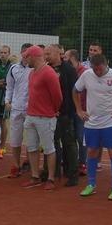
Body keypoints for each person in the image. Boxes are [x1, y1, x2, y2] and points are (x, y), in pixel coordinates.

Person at [75, 53, 112, 200]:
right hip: (91, 123)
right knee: (91, 152)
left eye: (100, 69)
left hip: (110, 122)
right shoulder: (87, 75)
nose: (97, 72)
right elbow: (75, 90)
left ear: (106, 64)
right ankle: (91, 184)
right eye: (95, 69)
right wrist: (79, 110)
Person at [20, 46, 62, 190]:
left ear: (33, 56)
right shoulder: (32, 73)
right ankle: (35, 175)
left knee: (49, 148)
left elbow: (57, 96)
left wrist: (54, 110)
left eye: (26, 57)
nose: (25, 60)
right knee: (32, 147)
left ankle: (50, 178)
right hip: (31, 115)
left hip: (45, 117)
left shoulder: (48, 73)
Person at [45, 44, 78, 186]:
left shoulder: (69, 70)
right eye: (45, 54)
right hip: (48, 114)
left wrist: (67, 110)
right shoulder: (46, 68)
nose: (46, 56)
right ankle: (53, 172)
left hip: (65, 113)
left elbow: (73, 92)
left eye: (49, 54)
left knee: (69, 143)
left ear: (58, 53)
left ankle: (72, 174)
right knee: (51, 143)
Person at [4, 44, 32, 178]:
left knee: (32, 138)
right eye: (24, 52)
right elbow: (9, 87)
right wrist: (7, 101)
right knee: (15, 139)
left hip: (31, 109)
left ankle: (29, 162)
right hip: (16, 108)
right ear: (21, 53)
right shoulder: (13, 68)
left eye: (28, 52)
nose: (26, 55)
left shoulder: (36, 68)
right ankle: (16, 165)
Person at [65, 49, 88, 175]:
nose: (64, 58)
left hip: (81, 110)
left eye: (66, 56)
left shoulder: (84, 72)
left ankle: (82, 162)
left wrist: (84, 109)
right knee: (70, 137)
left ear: (72, 58)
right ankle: (71, 161)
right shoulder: (66, 70)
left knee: (81, 137)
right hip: (69, 109)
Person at [0, 45, 13, 158]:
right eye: (1, 52)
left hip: (5, 98)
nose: (3, 54)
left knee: (3, 121)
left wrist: (2, 83)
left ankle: (2, 145)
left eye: (5, 53)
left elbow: (11, 82)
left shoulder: (11, 67)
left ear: (9, 54)